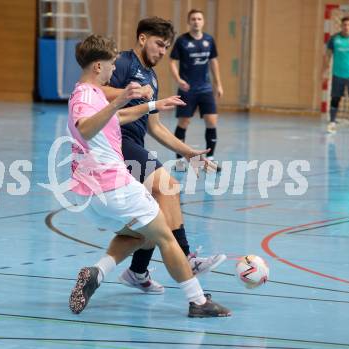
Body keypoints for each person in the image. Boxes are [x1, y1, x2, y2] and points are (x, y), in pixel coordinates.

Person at [68, 34, 231, 318]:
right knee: (165, 236)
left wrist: (155, 105)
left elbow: (117, 118)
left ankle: (97, 272)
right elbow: (84, 128)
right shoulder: (86, 97)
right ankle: (198, 302)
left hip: (94, 196)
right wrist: (117, 101)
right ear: (97, 67)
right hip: (114, 186)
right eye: (110, 65)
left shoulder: (89, 91)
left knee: (140, 236)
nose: (112, 70)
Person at [100, 17, 226, 295]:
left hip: (134, 143)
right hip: (115, 144)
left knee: (155, 211)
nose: (162, 51)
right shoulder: (122, 63)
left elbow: (155, 127)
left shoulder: (152, 78)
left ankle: (137, 271)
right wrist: (128, 91)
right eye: (159, 44)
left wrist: (188, 151)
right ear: (142, 39)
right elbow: (96, 91)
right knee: (169, 186)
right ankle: (186, 258)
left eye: (167, 47)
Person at [169, 9, 223, 171]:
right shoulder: (182, 41)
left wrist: (218, 84)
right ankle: (179, 161)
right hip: (188, 89)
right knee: (184, 122)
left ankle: (210, 159)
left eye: (199, 18)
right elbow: (172, 61)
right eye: (193, 19)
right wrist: (179, 80)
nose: (196, 21)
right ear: (189, 22)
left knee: (212, 121)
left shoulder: (209, 40)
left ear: (203, 21)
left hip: (205, 88)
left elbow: (213, 62)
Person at [323, 16, 349, 134]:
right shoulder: (334, 39)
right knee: (335, 99)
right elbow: (328, 56)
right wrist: (325, 72)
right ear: (341, 26)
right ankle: (332, 123)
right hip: (338, 75)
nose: (347, 27)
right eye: (345, 25)